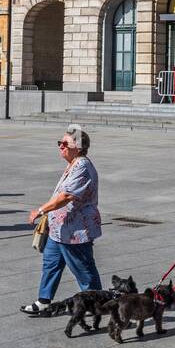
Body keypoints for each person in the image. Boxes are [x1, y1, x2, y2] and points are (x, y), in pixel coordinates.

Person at [21, 126, 103, 316]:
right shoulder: (73, 163)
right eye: (60, 143)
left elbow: (66, 196)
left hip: (74, 231)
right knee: (50, 264)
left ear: (79, 147)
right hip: (60, 229)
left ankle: (98, 303)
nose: (60, 146)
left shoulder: (82, 166)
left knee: (83, 270)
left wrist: (41, 210)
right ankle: (43, 300)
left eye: (65, 143)